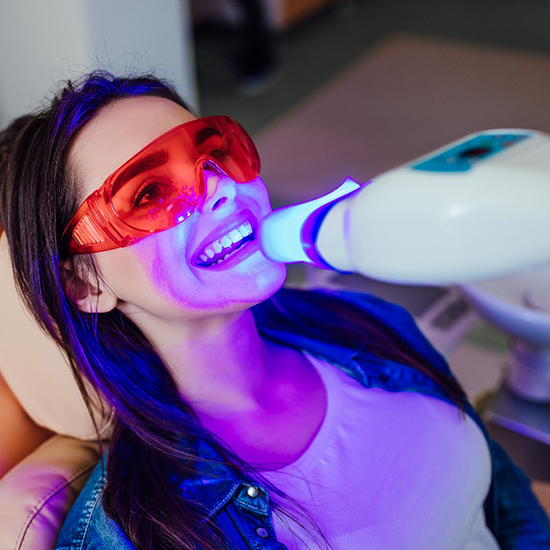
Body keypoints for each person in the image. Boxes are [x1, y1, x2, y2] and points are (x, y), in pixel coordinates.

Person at [0, 72, 548, 550]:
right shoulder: (131, 535)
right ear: (84, 283)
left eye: (213, 153)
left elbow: (502, 498)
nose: (216, 188)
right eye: (148, 194)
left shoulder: (370, 321)